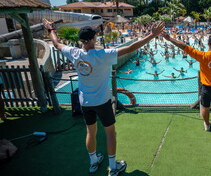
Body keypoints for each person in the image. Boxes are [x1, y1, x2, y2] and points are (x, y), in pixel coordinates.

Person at [43, 19, 164, 175]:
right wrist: (151, 35)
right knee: (109, 132)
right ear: (94, 39)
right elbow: (131, 47)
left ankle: (93, 163)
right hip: (102, 102)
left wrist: (50, 30)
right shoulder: (103, 55)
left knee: (90, 132)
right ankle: (113, 167)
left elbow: (56, 44)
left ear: (81, 40)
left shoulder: (74, 53)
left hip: (85, 102)